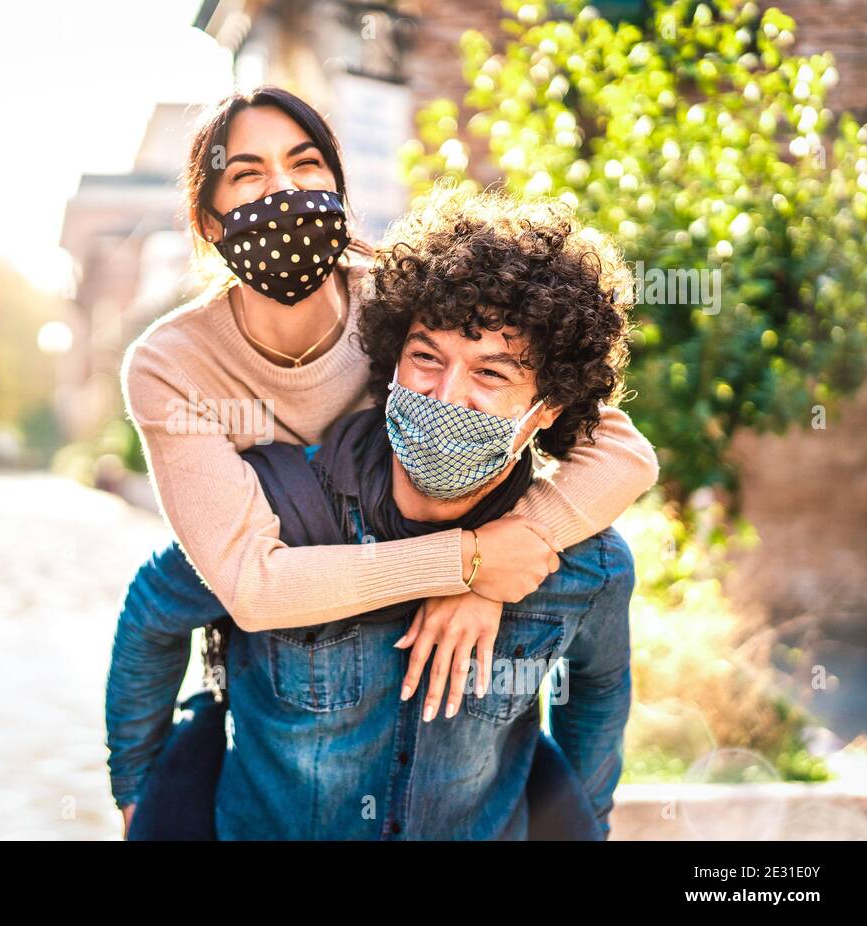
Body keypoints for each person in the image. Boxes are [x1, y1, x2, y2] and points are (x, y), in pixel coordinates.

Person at [107, 186, 642, 840]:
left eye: (491, 375)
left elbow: (600, 685)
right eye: (427, 358)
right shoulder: (279, 513)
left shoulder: (586, 563)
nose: (448, 396)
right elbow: (152, 613)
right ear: (390, 364)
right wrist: (136, 788)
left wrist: (587, 818)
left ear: (549, 409)